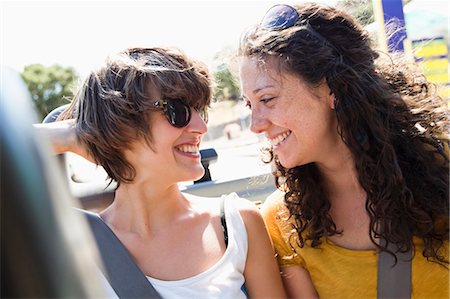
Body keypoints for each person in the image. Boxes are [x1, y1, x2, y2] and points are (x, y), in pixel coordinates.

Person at [238, 3, 449, 299]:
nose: (255, 125)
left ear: (332, 88)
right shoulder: (282, 220)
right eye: (250, 105)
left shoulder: (444, 169)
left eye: (268, 99)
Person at [40, 47, 286, 298]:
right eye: (177, 111)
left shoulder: (235, 224)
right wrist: (67, 136)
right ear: (120, 126)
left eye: (199, 111)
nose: (201, 127)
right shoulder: (74, 250)